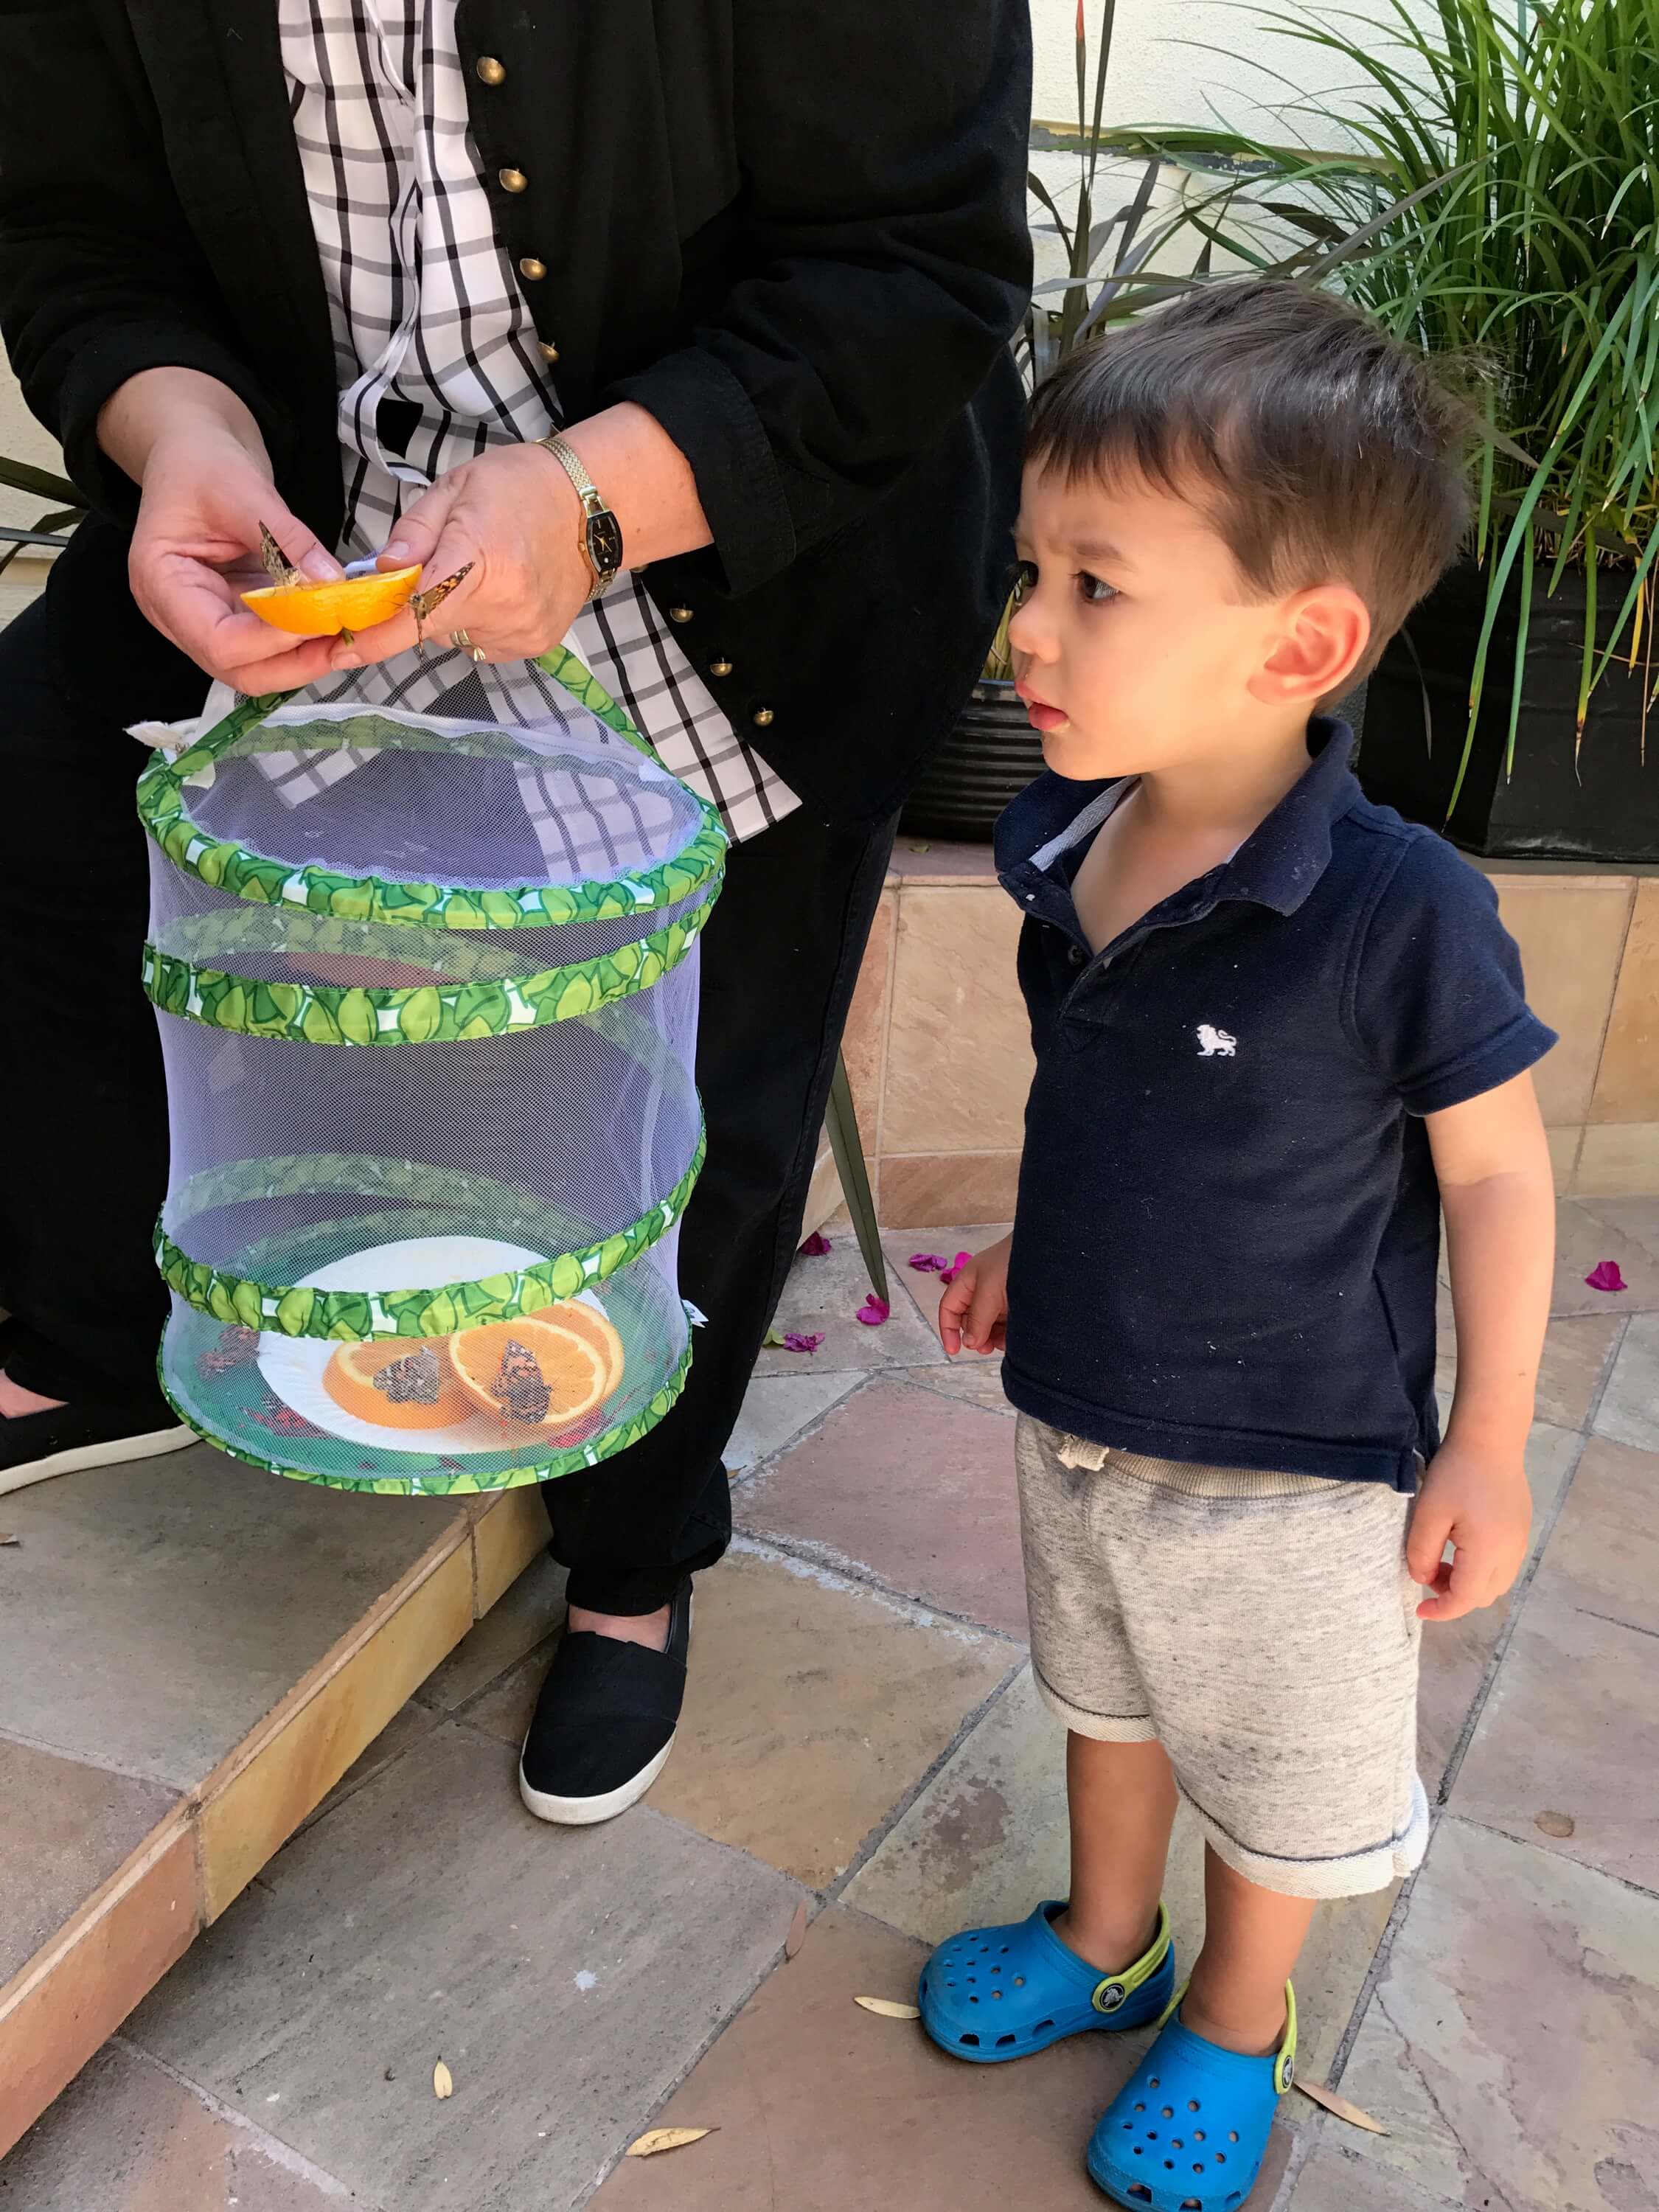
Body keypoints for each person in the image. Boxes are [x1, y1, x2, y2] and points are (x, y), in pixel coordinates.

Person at [0, 3, 1029, 1821]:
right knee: (44, 828)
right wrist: (179, 430)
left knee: (700, 1092)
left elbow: (913, 267)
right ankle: (89, 1345)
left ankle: (633, 1561)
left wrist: (595, 497)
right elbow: (71, 229)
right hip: (305, 540)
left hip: (736, 558)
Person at [915, 282, 1557, 2208]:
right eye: (1032, 570)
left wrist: (1492, 1440)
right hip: (1084, 1412)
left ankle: (1236, 2015)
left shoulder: (1398, 907)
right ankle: (1108, 1931)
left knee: (1274, 1772)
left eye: (1095, 584)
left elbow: (1504, 1181)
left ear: (1307, 641)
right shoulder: (1063, 842)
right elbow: (1098, 1088)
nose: (1025, 625)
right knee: (1100, 1697)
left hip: (1294, 1470)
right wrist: (1041, 1238)